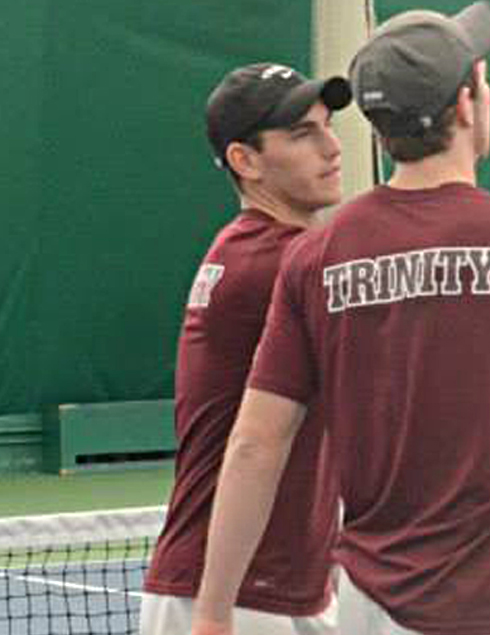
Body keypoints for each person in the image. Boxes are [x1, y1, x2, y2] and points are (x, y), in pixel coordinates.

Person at [189, 4, 490, 635]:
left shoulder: (315, 256)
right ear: (469, 101)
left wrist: (211, 614)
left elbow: (257, 441)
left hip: (369, 612)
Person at [139, 63, 352, 635]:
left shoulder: (269, 252)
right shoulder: (275, 264)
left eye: (328, 126)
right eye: (303, 134)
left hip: (283, 589)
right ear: (246, 161)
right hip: (229, 601)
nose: (332, 148)